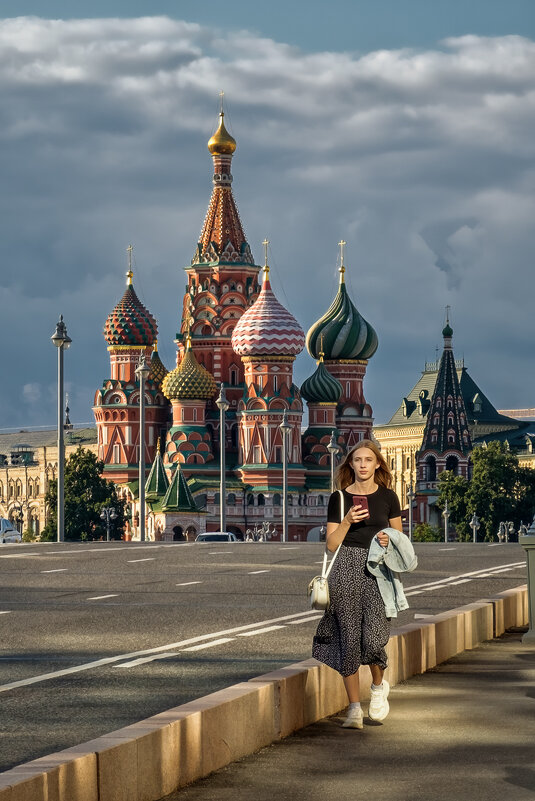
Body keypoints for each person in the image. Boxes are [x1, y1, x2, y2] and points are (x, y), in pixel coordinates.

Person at [312, 439, 402, 729]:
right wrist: (348, 521)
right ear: (350, 464)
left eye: (368, 460)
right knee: (348, 638)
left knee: (374, 637)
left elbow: (402, 539)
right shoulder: (338, 499)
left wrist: (390, 540)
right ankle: (353, 708)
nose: (363, 465)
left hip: (378, 569)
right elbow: (330, 544)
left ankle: (377, 688)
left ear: (377, 464)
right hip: (346, 569)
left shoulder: (388, 497)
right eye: (358, 460)